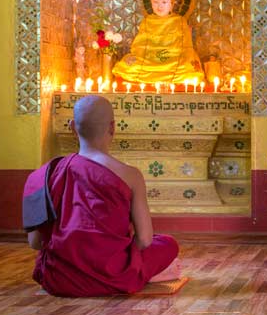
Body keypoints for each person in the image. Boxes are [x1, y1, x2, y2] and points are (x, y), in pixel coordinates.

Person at [23, 95, 181, 296]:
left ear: (72, 127)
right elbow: (145, 240)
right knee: (167, 244)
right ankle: (140, 274)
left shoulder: (43, 176)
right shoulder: (131, 175)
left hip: (59, 279)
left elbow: (35, 243)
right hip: (115, 273)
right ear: (113, 127)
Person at [112, 0, 205, 85]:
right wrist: (141, 55)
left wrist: (185, 57)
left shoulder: (180, 21)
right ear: (151, 3)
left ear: (172, 4)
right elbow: (139, 45)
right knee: (128, 66)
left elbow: (186, 46)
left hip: (173, 58)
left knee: (187, 68)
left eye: (164, 1)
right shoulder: (147, 21)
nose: (159, 6)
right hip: (149, 59)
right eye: (155, 1)